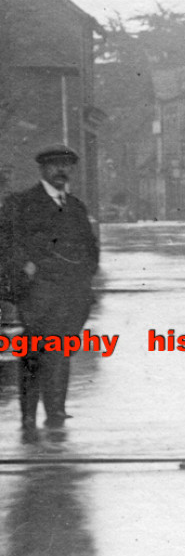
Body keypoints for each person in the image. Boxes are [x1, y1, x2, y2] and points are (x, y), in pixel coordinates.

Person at [2, 145, 100, 429]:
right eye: (56, 165)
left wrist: (84, 280)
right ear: (43, 169)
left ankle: (56, 410)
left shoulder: (75, 207)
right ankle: (29, 416)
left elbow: (90, 250)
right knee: (34, 352)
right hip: (37, 292)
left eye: (67, 166)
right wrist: (25, 266)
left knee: (62, 350)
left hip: (71, 294)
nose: (62, 171)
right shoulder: (22, 203)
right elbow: (7, 241)